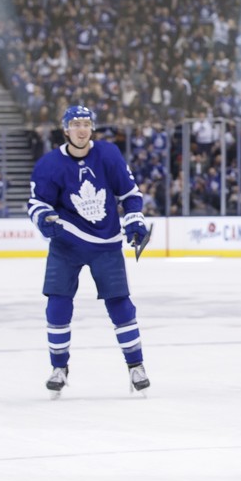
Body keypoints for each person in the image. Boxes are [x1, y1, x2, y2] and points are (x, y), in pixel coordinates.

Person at [28, 105, 151, 399]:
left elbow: (129, 194)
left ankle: (136, 366)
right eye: (75, 124)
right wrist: (45, 220)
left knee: (121, 305)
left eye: (86, 123)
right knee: (57, 306)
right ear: (65, 129)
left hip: (105, 244)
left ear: (92, 128)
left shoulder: (108, 155)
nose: (81, 129)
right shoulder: (49, 164)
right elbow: (37, 203)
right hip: (66, 244)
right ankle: (59, 368)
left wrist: (135, 217)